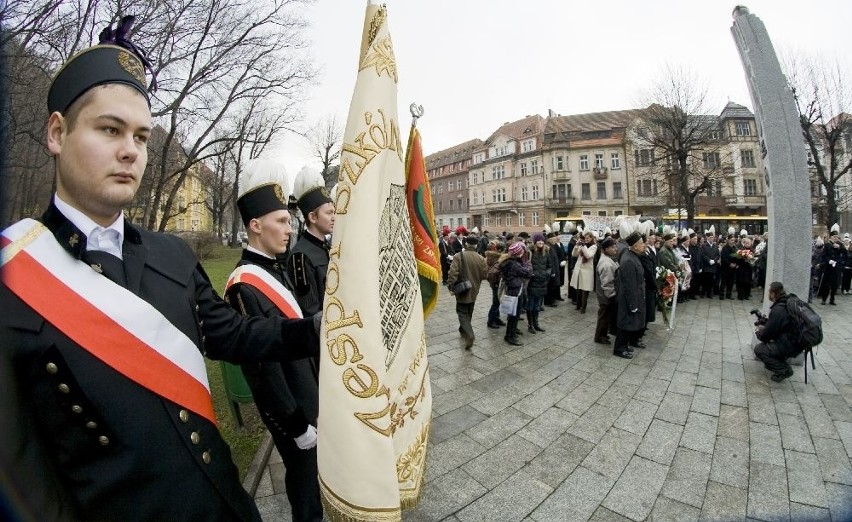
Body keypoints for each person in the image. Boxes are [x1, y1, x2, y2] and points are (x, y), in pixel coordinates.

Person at [0, 18, 320, 521]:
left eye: (142, 136)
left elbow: (234, 335)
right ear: (57, 132)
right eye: (110, 129)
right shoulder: (14, 280)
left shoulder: (172, 254)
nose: (131, 149)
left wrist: (319, 330)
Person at [224, 160, 322, 521]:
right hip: (291, 408)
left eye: (289, 221)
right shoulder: (243, 284)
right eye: (281, 221)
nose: (289, 229)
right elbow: (262, 369)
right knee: (305, 489)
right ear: (255, 225)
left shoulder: (275, 267)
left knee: (313, 478)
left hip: (309, 391)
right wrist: (295, 424)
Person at [287, 167, 334, 318]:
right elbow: (309, 311)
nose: (334, 217)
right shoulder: (300, 257)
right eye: (328, 213)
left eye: (334, 212)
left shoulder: (327, 247)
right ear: (313, 217)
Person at [754, 282, 802, 382]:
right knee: (771, 346)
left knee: (759, 349)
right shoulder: (787, 302)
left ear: (773, 293)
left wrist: (758, 331)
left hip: (790, 345)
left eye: (769, 292)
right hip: (796, 342)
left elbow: (766, 336)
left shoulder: (778, 309)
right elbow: (780, 325)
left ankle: (784, 369)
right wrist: (766, 322)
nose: (768, 294)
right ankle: (780, 360)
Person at [446, 236, 488, 349]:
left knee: (462, 312)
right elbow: (485, 275)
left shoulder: (458, 256)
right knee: (469, 310)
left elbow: (452, 273)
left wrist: (450, 286)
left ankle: (469, 334)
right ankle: (463, 329)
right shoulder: (481, 258)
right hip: (474, 289)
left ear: (466, 244)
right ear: (476, 245)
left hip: (462, 289)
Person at [614, 233, 646, 359]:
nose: (644, 245)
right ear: (635, 246)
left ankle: (625, 345)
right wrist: (633, 304)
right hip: (629, 298)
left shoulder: (633, 255)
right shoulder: (628, 260)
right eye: (641, 243)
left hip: (635, 296)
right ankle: (619, 348)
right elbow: (629, 285)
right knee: (625, 324)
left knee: (630, 323)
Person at [499, 241, 533, 346]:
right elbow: (528, 273)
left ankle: (509, 335)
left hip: (511, 290)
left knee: (512, 315)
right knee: (515, 315)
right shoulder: (514, 264)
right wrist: (529, 266)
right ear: (518, 253)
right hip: (516, 291)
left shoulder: (508, 262)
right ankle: (511, 337)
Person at [594, 238, 619, 345]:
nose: (616, 249)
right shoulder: (606, 263)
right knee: (604, 316)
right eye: (613, 247)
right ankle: (599, 337)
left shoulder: (607, 258)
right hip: (606, 295)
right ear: (607, 248)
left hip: (605, 294)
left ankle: (603, 334)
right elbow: (607, 283)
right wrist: (612, 296)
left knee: (605, 316)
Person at [526, 233, 551, 333]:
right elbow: (526, 265)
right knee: (530, 305)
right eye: (538, 240)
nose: (540, 242)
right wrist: (532, 274)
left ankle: (536, 324)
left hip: (542, 282)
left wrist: (546, 274)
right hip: (532, 282)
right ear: (535, 242)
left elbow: (549, 265)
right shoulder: (530, 252)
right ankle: (530, 325)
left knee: (537, 306)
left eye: (542, 240)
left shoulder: (546, 251)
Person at [570, 231, 597, 313]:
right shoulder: (582, 245)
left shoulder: (594, 246)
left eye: (588, 238)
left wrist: (583, 246)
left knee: (585, 289)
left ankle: (583, 308)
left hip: (587, 270)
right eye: (585, 238)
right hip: (579, 269)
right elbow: (574, 255)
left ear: (592, 238)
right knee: (578, 288)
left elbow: (588, 255)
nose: (587, 239)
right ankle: (578, 305)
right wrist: (576, 245)